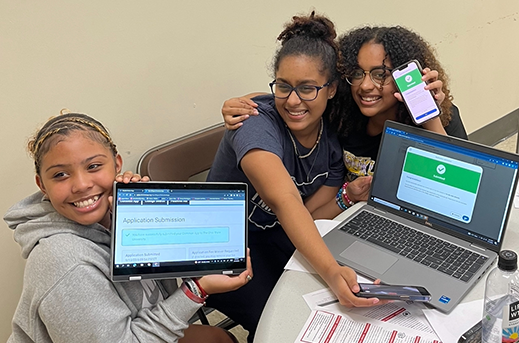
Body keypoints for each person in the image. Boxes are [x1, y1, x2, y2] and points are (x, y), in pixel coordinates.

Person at [205, 12, 384, 342]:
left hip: (276, 236)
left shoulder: (331, 137)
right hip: (221, 247)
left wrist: (348, 196)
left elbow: (312, 213)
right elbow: (284, 200)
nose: (292, 100)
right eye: (283, 86)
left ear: (331, 90)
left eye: (307, 89)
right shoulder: (254, 123)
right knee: (284, 325)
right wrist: (330, 271)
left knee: (332, 303)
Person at [4, 112, 253, 343]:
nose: (81, 185)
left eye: (93, 166)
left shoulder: (115, 214)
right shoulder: (62, 262)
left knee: (220, 339)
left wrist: (147, 216)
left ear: (117, 164)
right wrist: (196, 290)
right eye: (60, 175)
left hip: (142, 326)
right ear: (42, 185)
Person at [222, 25, 468, 182]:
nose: (365, 86)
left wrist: (429, 120)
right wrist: (246, 103)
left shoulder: (442, 118)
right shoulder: (342, 112)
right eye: (357, 72)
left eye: (380, 74)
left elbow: (461, 184)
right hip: (349, 218)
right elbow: (295, 97)